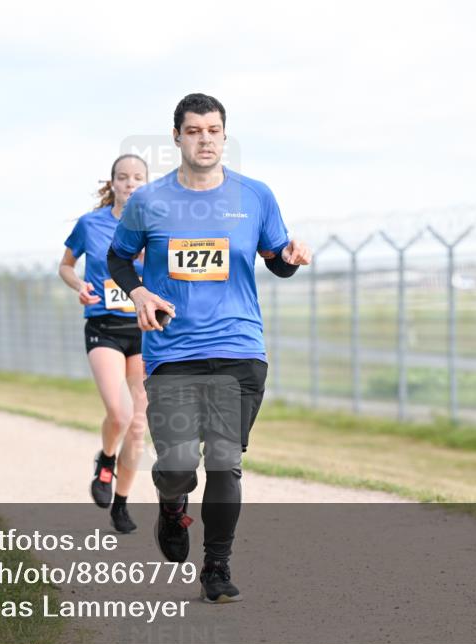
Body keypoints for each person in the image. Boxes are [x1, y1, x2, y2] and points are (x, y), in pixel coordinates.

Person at [108, 93, 311, 602]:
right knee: (178, 465)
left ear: (224, 135)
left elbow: (275, 258)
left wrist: (289, 258)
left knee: (224, 460)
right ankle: (172, 506)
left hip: (239, 347)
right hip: (173, 352)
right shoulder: (149, 201)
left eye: (214, 130)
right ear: (177, 136)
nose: (205, 139)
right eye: (194, 130)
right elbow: (118, 259)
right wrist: (139, 292)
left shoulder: (255, 196)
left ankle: (217, 567)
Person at [60, 155, 150, 534]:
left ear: (146, 185)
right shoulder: (91, 223)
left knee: (139, 427)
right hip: (104, 327)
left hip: (145, 330)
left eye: (138, 178)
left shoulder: (156, 227)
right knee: (120, 414)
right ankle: (107, 460)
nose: (130, 184)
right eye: (123, 178)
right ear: (112, 183)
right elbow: (65, 265)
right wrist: (79, 285)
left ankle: (122, 504)